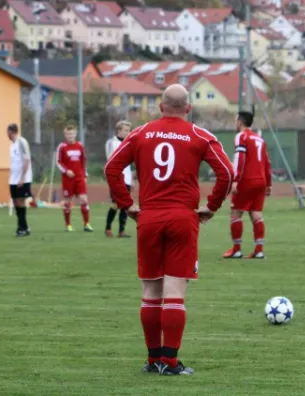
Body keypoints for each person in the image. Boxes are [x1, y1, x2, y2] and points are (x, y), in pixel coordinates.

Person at [105, 84, 234, 375]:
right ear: (188, 108)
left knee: (151, 289)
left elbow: (112, 168)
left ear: (160, 107)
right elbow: (227, 173)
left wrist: (127, 205)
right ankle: (171, 362)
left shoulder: (140, 133)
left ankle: (153, 361)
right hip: (182, 219)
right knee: (175, 292)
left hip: (148, 218)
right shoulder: (200, 136)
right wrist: (212, 206)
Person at [223, 111, 272, 259]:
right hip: (261, 180)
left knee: (236, 213)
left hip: (247, 180)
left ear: (240, 122)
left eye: (235, 119)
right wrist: (268, 183)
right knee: (256, 213)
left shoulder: (241, 137)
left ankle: (237, 249)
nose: (234, 122)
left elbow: (240, 158)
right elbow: (266, 162)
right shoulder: (259, 139)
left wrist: (236, 180)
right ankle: (259, 250)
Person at [56, 125, 93, 232]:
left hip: (79, 177)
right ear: (65, 135)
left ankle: (86, 224)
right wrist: (66, 171)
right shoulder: (62, 146)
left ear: (75, 134)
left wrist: (85, 175)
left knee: (84, 199)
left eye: (72, 134)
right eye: (68, 134)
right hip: (68, 179)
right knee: (67, 201)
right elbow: (58, 162)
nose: (70, 136)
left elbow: (84, 162)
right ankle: (68, 225)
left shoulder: (80, 146)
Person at [105, 120, 133, 238]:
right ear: (118, 131)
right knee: (116, 204)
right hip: (117, 179)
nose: (128, 132)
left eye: (129, 130)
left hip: (127, 178)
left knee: (126, 205)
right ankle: (108, 228)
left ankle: (121, 231)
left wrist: (131, 177)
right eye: (126, 130)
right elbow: (110, 160)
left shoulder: (130, 143)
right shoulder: (112, 143)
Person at [8, 123, 32, 237]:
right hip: (13, 179)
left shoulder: (21, 142)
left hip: (23, 179)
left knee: (21, 201)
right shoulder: (11, 145)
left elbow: (27, 160)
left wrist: (22, 178)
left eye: (7, 132)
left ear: (11, 132)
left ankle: (21, 227)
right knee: (15, 201)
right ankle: (25, 227)